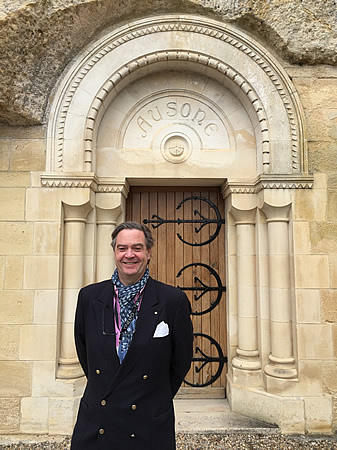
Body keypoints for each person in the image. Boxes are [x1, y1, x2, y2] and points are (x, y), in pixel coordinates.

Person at [71, 221, 194, 450]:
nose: (130, 255)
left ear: (148, 253)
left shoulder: (172, 300)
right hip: (98, 420)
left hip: (148, 423)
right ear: (114, 252)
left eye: (137, 248)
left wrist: (154, 396)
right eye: (122, 248)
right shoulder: (89, 297)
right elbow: (85, 352)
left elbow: (181, 361)